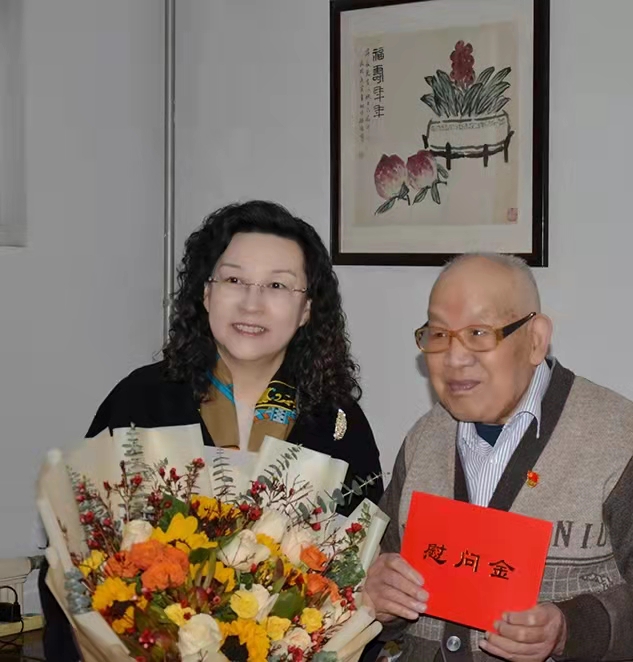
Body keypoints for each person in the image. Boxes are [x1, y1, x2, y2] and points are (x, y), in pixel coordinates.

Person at [40, 200, 383, 661]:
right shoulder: (140, 400)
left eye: (277, 285)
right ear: (205, 294)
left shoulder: (337, 423)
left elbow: (357, 581)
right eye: (234, 280)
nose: (252, 303)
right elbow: (74, 553)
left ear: (306, 309)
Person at [365, 253, 633, 662]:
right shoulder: (424, 439)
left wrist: (570, 628)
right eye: (439, 334)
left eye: (479, 333)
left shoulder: (616, 437)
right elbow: (375, 572)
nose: (454, 358)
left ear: (535, 340)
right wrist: (377, 597)